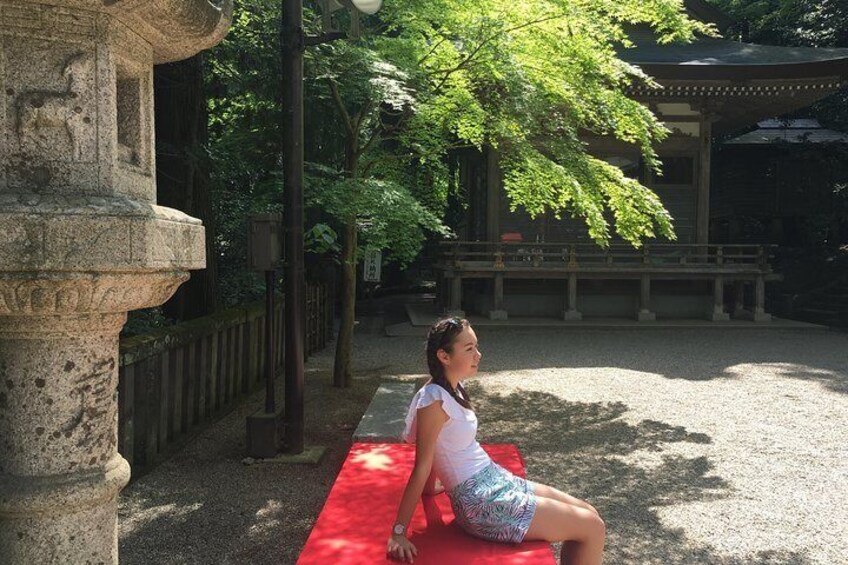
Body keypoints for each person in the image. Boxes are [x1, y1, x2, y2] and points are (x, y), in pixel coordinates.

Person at [387, 317, 605, 564]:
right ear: (444, 356)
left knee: (590, 512)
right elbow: (423, 462)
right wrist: (398, 532)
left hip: (494, 480)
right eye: (469, 349)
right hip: (482, 502)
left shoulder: (450, 389)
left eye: (476, 347)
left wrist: (432, 488)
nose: (478, 355)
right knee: (592, 528)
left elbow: (439, 446)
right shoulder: (434, 401)